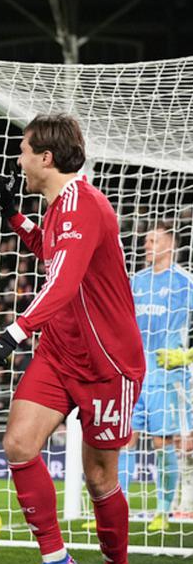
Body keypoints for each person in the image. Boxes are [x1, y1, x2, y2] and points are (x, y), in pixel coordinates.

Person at [0, 114, 144, 564]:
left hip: (107, 363)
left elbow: (64, 282)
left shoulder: (84, 205)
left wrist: (12, 334)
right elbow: (53, 253)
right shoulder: (58, 208)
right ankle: (55, 558)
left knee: (98, 478)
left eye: (24, 151)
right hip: (61, 352)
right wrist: (17, 220)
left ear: (46, 158)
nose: (19, 160)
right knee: (19, 446)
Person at [122, 223, 192, 531]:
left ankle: (163, 511)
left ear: (170, 244)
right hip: (134, 372)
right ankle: (118, 507)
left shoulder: (185, 282)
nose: (147, 245)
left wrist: (187, 355)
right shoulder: (136, 281)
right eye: (146, 240)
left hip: (167, 374)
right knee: (124, 439)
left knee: (163, 441)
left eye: (153, 240)